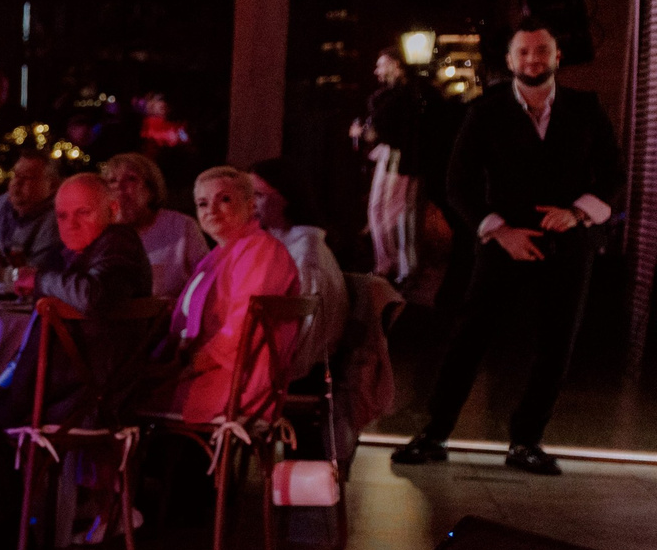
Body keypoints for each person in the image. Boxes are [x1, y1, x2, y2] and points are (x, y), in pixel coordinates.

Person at [393, 24, 621, 476]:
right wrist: (498, 231)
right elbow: (457, 183)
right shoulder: (485, 111)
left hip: (568, 242)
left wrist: (577, 214)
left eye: (542, 51)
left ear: (557, 57)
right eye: (524, 52)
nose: (533, 59)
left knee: (556, 345)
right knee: (469, 337)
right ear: (511, 60)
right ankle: (434, 434)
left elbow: (613, 176)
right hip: (502, 239)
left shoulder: (585, 107)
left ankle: (527, 442)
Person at [0, 174, 154, 550]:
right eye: (62, 215)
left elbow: (95, 297)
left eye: (82, 213)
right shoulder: (91, 249)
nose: (70, 224)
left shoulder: (119, 246)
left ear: (113, 210)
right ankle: (7, 530)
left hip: (80, 402)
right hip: (75, 393)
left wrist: (41, 280)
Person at [142, 167, 299, 424]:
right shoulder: (220, 254)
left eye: (224, 199)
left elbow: (242, 328)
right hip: (211, 374)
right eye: (202, 203)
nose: (211, 210)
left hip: (235, 383)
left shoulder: (260, 251)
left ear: (250, 206)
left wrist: (190, 364)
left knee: (116, 402)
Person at [249, 158, 349, 379]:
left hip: (301, 370)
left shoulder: (304, 252)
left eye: (258, 195)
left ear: (285, 199)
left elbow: (304, 329)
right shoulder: (275, 244)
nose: (250, 204)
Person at [355, 49, 438, 285]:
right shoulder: (394, 95)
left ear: (396, 65)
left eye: (382, 65)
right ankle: (388, 263)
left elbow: (398, 129)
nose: (377, 70)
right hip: (391, 156)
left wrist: (368, 133)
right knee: (379, 209)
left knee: (394, 212)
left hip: (401, 159)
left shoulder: (407, 95)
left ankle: (401, 268)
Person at [101, 151, 206, 302]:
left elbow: (206, 279)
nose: (120, 187)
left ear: (150, 189)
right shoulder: (100, 232)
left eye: (131, 179)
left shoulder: (181, 226)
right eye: (112, 181)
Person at [0, 149, 60, 263]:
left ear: (52, 185)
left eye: (27, 177)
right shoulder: (3, 202)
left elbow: (36, 269)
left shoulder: (58, 219)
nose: (17, 182)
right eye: (15, 175)